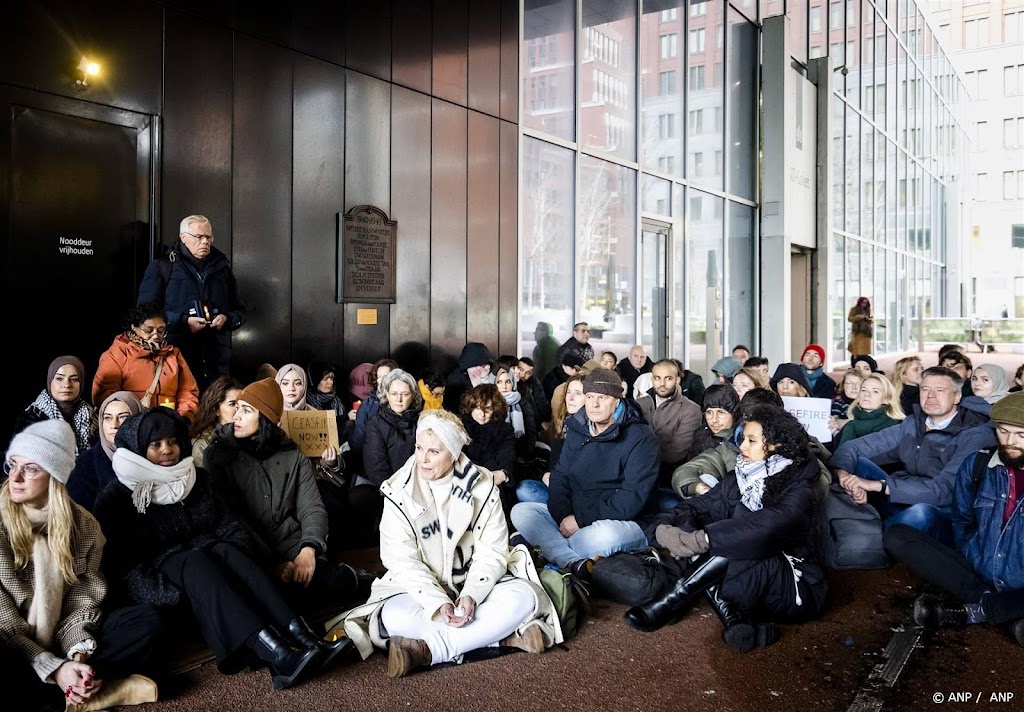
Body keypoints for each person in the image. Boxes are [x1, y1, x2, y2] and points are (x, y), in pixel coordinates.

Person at [93, 407, 337, 691]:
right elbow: (125, 569)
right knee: (195, 561)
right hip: (173, 591)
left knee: (226, 550)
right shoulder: (118, 496)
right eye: (155, 444)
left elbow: (230, 526)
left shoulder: (196, 479)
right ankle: (277, 654)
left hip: (216, 579)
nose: (167, 450)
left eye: (172, 442)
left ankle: (304, 637)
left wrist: (228, 561)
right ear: (137, 450)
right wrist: (171, 596)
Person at [326, 410, 563, 677]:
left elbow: (493, 551)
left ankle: (429, 651)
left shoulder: (482, 485)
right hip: (418, 590)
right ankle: (500, 639)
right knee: (392, 616)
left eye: (434, 452)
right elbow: (400, 560)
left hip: (471, 586)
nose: (422, 459)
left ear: (453, 453)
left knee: (524, 597)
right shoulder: (398, 489)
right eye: (419, 448)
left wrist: (472, 594)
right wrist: (438, 603)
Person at [624, 406, 828, 652]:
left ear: (776, 445)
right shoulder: (741, 477)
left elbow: (768, 526)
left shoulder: (800, 488)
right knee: (701, 526)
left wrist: (705, 539)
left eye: (752, 441)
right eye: (743, 439)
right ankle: (734, 619)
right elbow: (698, 505)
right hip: (751, 579)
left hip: (795, 585)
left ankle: (671, 600)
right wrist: (663, 529)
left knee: (735, 532)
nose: (742, 447)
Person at [1, 421, 164, 712]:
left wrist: (77, 658)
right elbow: (5, 624)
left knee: (146, 622)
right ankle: (95, 692)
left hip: (65, 636)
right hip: (14, 644)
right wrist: (53, 668)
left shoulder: (84, 526)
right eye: (12, 464)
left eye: (30, 469)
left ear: (54, 477)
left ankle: (73, 690)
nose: (15, 477)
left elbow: (82, 604)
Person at [204, 378, 363, 623]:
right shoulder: (219, 455)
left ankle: (350, 577)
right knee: (263, 594)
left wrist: (308, 551)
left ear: (267, 420)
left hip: (292, 544)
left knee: (325, 581)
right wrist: (274, 564)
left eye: (247, 411)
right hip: (250, 550)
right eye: (237, 408)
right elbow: (235, 520)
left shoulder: (292, 455)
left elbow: (311, 507)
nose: (237, 416)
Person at [883, 393, 1024, 647]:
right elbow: (962, 518)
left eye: (1021, 435)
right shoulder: (978, 463)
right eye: (1003, 432)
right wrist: (971, 553)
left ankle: (976, 611)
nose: (1010, 442)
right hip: (979, 569)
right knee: (898, 535)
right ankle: (1003, 611)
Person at [510, 369, 659, 578]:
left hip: (616, 522)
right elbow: (560, 476)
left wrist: (580, 520)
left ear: (617, 401)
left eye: (602, 397)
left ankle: (549, 550)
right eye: (589, 397)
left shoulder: (640, 438)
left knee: (602, 536)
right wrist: (564, 516)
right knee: (522, 512)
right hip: (574, 515)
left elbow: (630, 499)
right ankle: (571, 561)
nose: (594, 404)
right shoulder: (578, 426)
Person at [830, 366, 997, 543]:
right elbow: (854, 447)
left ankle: (870, 536)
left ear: (957, 396)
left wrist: (879, 485)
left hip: (941, 509)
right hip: (900, 496)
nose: (930, 396)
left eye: (939, 390)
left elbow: (945, 491)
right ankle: (871, 530)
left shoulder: (975, 434)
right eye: (925, 389)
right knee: (856, 462)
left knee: (921, 513)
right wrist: (844, 475)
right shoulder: (913, 423)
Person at [136, 215, 246, 391]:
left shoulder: (222, 269)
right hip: (175, 361)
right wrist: (183, 321)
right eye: (199, 237)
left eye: (208, 237)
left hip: (216, 364)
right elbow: (145, 313)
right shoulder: (163, 267)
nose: (205, 242)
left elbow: (240, 310)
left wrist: (227, 318)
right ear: (183, 237)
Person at [92, 303, 200, 424]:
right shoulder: (117, 353)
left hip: (169, 425)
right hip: (132, 425)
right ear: (134, 327)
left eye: (161, 330)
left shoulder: (174, 354)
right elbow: (106, 394)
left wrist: (183, 418)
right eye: (148, 330)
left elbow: (188, 392)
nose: (155, 335)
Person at [67, 392, 144, 513]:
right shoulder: (83, 466)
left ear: (138, 419)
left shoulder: (152, 457)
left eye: (123, 417)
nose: (114, 425)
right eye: (108, 417)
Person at [517, 375, 585, 505]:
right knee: (524, 488)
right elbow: (555, 457)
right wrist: (549, 474)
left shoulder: (593, 427)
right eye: (568, 392)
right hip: (559, 485)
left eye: (578, 393)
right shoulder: (561, 422)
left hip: (581, 491)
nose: (570, 398)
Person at [15, 356, 98, 455]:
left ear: (81, 384)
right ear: (50, 381)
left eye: (74, 379)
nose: (66, 384)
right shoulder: (33, 418)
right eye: (59, 378)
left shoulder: (92, 418)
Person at [636, 359, 702, 480]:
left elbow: (676, 453)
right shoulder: (639, 405)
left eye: (668, 378)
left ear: (677, 380)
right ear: (652, 380)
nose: (662, 383)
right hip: (637, 471)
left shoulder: (691, 410)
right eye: (657, 378)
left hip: (670, 475)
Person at [460, 384, 517, 516]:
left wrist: (504, 474)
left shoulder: (505, 430)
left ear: (495, 410)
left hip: (494, 480)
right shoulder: (460, 426)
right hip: (465, 478)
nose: (482, 414)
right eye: (477, 408)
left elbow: (508, 455)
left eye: (488, 409)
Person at [363, 370, 423, 488]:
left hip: (418, 486)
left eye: (405, 394)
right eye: (394, 394)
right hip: (389, 489)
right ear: (387, 394)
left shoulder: (421, 420)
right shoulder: (376, 423)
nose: (399, 399)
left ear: (413, 396)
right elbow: (377, 467)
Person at [834, 373, 905, 449]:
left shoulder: (895, 427)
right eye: (863, 390)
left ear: (887, 399)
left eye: (875, 391)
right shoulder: (849, 425)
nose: (867, 394)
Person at [188, 376, 243, 468]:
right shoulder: (203, 444)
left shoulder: (249, 435)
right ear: (216, 409)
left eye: (242, 405)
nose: (239, 410)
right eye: (232, 404)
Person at [493, 360, 537, 460]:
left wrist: (524, 455)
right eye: (499, 382)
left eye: (508, 381)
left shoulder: (522, 403)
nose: (504, 386)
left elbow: (531, 432)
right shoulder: (488, 404)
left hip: (519, 454)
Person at [352, 358, 399, 450]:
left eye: (385, 377)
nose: (381, 381)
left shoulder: (401, 402)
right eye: (379, 377)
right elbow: (359, 441)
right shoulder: (367, 406)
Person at [685, 385, 741, 461]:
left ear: (734, 413)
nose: (714, 420)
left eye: (721, 412)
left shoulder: (743, 438)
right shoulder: (701, 435)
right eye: (709, 412)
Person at [443, 344, 494, 414]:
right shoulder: (456, 379)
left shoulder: (488, 374)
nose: (486, 368)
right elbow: (452, 404)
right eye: (483, 364)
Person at [828, 370, 864, 439]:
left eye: (858, 383)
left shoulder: (866, 404)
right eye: (849, 383)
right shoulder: (838, 403)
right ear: (843, 385)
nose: (854, 387)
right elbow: (835, 423)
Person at [517, 357, 551, 424]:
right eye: (521, 370)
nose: (523, 375)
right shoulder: (511, 382)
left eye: (528, 373)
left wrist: (545, 421)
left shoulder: (534, 382)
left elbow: (541, 403)